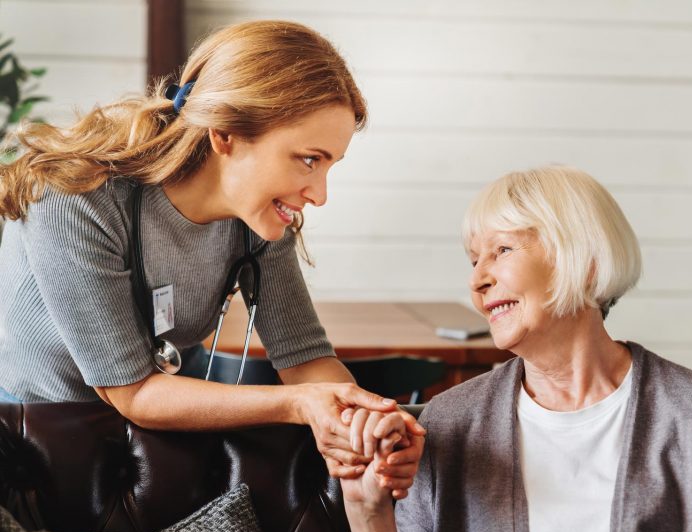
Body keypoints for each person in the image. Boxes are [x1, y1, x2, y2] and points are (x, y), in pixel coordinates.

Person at [340, 165, 692, 532]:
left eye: (502, 250)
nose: (478, 281)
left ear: (584, 259)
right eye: (474, 260)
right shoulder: (450, 420)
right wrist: (367, 512)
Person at [0, 20, 423, 488]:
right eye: (308, 159)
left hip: (159, 433)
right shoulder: (75, 199)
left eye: (329, 165)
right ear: (225, 134)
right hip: (34, 438)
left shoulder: (258, 219)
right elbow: (133, 391)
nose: (320, 194)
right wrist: (300, 405)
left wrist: (366, 425)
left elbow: (304, 359)